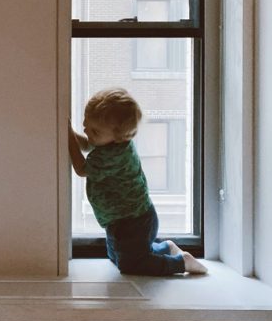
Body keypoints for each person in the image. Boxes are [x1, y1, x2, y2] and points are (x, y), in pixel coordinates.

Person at [68, 87, 207, 276]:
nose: (86, 130)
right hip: (122, 219)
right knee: (117, 256)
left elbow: (81, 168)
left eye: (94, 131)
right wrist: (67, 131)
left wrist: (67, 135)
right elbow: (86, 144)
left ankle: (181, 263)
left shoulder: (114, 156)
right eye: (86, 124)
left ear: (119, 136)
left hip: (133, 221)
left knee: (131, 264)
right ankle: (166, 247)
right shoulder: (110, 141)